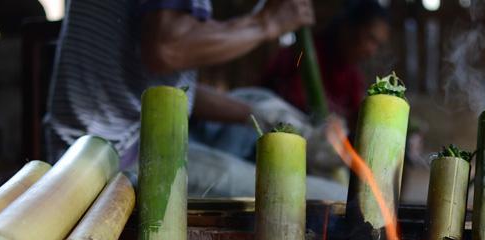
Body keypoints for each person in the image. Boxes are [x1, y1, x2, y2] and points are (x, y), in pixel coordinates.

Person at [46, 0, 347, 199]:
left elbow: (162, 90)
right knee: (331, 197)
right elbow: (168, 48)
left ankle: (314, 144)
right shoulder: (168, 28)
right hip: (109, 162)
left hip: (106, 138)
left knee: (258, 101)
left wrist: (259, 113)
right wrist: (266, 23)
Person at [262, 0, 390, 130]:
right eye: (370, 38)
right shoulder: (301, 55)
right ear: (348, 27)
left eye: (377, 45)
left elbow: (354, 122)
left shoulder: (353, 79)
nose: (371, 51)